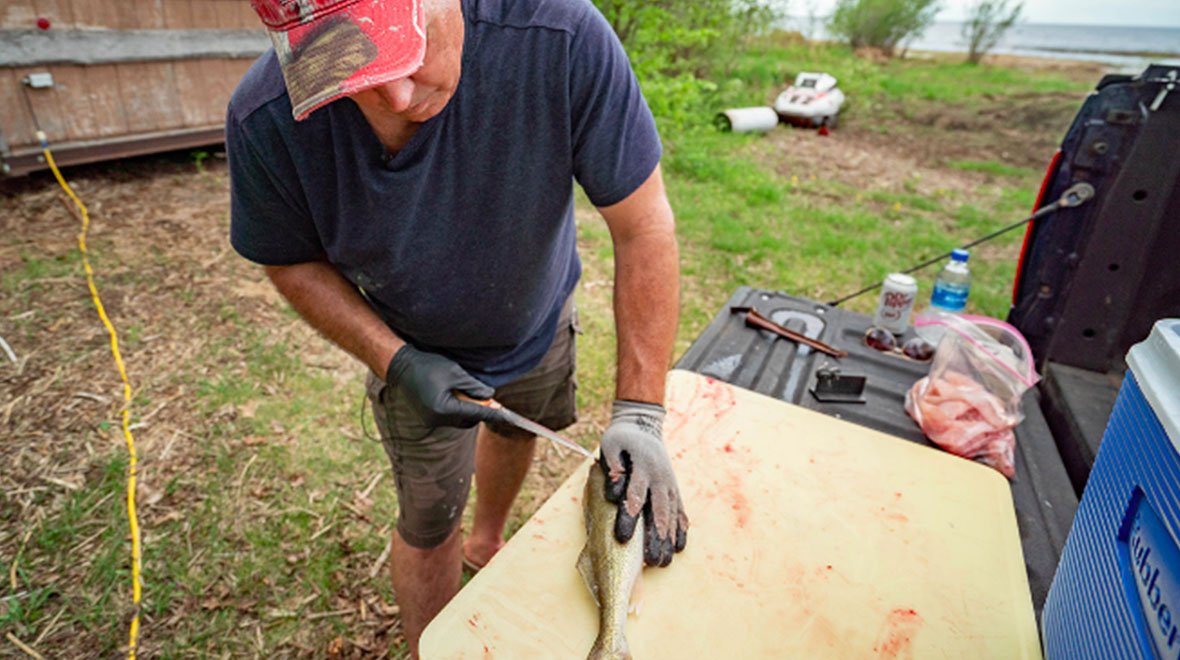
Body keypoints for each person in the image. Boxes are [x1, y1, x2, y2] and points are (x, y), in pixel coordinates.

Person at [228, 0, 688, 654]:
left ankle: (488, 537)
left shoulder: (559, 36)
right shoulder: (266, 117)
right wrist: (395, 360)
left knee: (516, 427)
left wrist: (640, 413)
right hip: (412, 348)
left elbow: (643, 226)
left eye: (409, 44)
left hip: (538, 317)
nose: (397, 96)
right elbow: (288, 260)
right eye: (349, 62)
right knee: (427, 522)